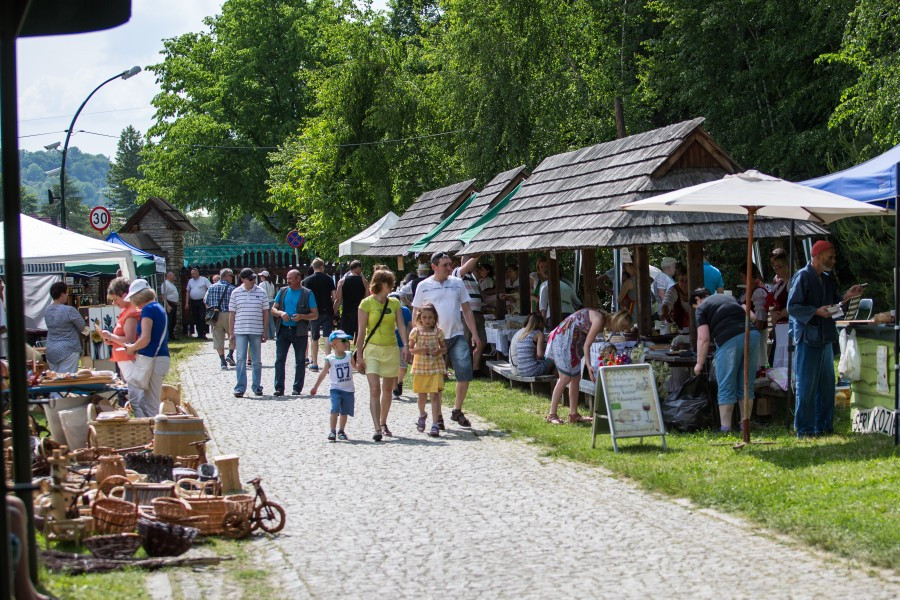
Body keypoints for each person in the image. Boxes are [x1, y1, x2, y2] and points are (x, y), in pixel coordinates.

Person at [788, 240, 863, 437]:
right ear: (817, 256)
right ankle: (804, 429)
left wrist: (847, 297)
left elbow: (833, 305)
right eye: (830, 257)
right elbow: (793, 307)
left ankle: (824, 426)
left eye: (834, 257)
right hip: (808, 338)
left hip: (825, 337)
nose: (834, 260)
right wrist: (816, 312)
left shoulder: (826, 278)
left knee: (827, 385)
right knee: (807, 386)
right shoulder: (803, 276)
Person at [412, 252, 481, 429]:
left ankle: (457, 410)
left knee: (465, 372)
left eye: (450, 264)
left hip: (457, 334)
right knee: (437, 379)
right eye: (445, 265)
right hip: (434, 338)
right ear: (434, 267)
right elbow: (416, 312)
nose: (450, 268)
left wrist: (474, 333)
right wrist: (418, 334)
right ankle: (438, 415)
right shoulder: (423, 285)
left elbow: (466, 309)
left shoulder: (457, 283)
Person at [692, 287, 759, 432]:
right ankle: (744, 425)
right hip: (752, 335)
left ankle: (726, 428)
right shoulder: (730, 298)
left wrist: (699, 364)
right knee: (746, 383)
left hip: (729, 340)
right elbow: (752, 316)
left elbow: (703, 338)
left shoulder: (701, 308)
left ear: (697, 300)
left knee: (726, 383)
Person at [357, 268, 409, 441]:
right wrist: (359, 355)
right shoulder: (366, 303)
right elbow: (361, 330)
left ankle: (383, 421)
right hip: (372, 349)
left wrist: (406, 345)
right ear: (381, 284)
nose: (391, 287)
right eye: (389, 284)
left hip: (390, 349)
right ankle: (376, 428)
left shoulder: (394, 304)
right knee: (374, 388)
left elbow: (401, 325)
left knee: (388, 390)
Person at [544, 308, 607, 424]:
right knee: (564, 378)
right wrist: (589, 366)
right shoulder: (599, 319)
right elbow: (586, 346)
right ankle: (551, 415)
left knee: (576, 378)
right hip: (563, 340)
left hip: (572, 342)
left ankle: (574, 415)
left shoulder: (600, 318)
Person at [123, 279, 170, 418]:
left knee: (150, 405)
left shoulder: (148, 310)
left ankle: (155, 437)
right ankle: (149, 434)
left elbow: (145, 339)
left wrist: (131, 348)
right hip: (158, 359)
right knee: (143, 402)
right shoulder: (157, 307)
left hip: (153, 359)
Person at [271, 269, 319, 396]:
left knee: (300, 360)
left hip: (299, 331)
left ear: (298, 279)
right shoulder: (282, 292)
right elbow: (273, 309)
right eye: (287, 278)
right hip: (283, 330)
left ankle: (297, 388)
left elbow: (315, 314)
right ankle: (279, 388)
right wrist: (281, 313)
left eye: (291, 278)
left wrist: (302, 317)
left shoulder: (308, 293)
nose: (288, 280)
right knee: (280, 359)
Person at [99, 277, 142, 408]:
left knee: (135, 396)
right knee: (132, 394)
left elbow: (129, 340)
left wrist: (111, 336)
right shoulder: (126, 310)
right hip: (124, 359)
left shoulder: (131, 312)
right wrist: (112, 341)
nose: (114, 303)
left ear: (124, 295)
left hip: (129, 359)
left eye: (115, 299)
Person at [229, 268, 269, 398]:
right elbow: (232, 313)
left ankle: (257, 386)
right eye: (251, 279)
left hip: (256, 330)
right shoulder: (235, 293)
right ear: (243, 280)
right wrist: (231, 332)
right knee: (240, 359)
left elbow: (265, 312)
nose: (253, 281)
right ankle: (240, 387)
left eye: (254, 278)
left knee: (256, 360)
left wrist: (265, 330)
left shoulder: (261, 292)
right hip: (240, 330)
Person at [310, 330, 356, 441]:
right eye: (343, 341)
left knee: (344, 412)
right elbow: (323, 373)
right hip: (335, 389)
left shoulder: (349, 355)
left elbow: (356, 367)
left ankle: (341, 430)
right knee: (334, 409)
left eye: (347, 341)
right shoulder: (330, 359)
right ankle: (332, 431)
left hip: (348, 390)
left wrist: (362, 366)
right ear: (334, 344)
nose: (346, 343)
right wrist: (315, 387)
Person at [408, 303, 446, 437]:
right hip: (421, 367)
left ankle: (435, 424)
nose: (427, 320)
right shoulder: (416, 332)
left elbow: (444, 348)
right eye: (425, 317)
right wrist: (421, 350)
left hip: (435, 366)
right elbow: (410, 350)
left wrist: (439, 351)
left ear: (435, 318)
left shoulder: (438, 332)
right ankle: (422, 414)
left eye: (430, 317)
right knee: (422, 396)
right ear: (420, 318)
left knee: (435, 394)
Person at [44, 281, 88, 375]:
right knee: (67, 380)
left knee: (54, 380)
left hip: (51, 348)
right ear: (62, 294)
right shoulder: (69, 310)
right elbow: (82, 327)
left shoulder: (47, 310)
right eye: (66, 293)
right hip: (69, 348)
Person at [453, 256, 488, 369]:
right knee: (466, 342)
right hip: (465, 314)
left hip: (478, 313)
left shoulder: (473, 277)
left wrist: (499, 297)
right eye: (469, 259)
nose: (473, 264)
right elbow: (466, 267)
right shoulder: (458, 272)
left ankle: (475, 368)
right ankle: (465, 368)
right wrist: (477, 255)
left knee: (482, 341)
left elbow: (484, 298)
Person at [303, 258, 337, 372]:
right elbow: (334, 296)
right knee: (327, 336)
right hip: (327, 310)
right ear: (322, 267)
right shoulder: (328, 279)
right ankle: (328, 364)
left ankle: (315, 363)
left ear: (313, 267)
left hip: (314, 312)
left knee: (314, 337)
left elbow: (305, 297)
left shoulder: (307, 281)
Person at [738, 262, 773, 369]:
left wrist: (752, 337)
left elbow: (760, 320)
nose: (742, 280)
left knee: (758, 364)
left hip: (756, 335)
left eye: (743, 277)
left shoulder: (758, 292)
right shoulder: (750, 289)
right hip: (750, 333)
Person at [204, 268, 237, 369]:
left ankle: (222, 362)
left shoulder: (211, 287)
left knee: (218, 338)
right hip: (229, 315)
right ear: (226, 276)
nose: (232, 278)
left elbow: (206, 301)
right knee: (232, 335)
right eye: (231, 276)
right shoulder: (232, 288)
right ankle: (230, 354)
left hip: (216, 316)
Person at [333, 260, 367, 342]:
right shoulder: (364, 281)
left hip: (347, 312)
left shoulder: (342, 281)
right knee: (360, 336)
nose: (361, 271)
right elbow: (367, 298)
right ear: (357, 267)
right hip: (360, 312)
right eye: (360, 268)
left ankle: (346, 352)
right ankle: (358, 353)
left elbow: (338, 299)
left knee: (345, 337)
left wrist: (333, 313)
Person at [769, 249, 791, 368]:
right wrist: (773, 312)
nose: (777, 270)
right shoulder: (781, 283)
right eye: (775, 267)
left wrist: (781, 314)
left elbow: (793, 305)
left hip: (787, 327)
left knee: (785, 361)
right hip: (780, 327)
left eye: (780, 267)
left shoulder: (791, 282)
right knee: (774, 360)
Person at [515, 312, 553, 377]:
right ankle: (553, 384)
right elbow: (540, 355)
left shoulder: (522, 335)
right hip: (531, 370)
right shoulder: (539, 333)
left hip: (521, 370)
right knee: (554, 361)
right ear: (541, 323)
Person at [391, 290, 413, 399]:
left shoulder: (405, 311)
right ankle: (394, 389)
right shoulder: (387, 311)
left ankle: (399, 382)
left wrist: (409, 342)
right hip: (390, 344)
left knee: (403, 367)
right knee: (393, 367)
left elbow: (409, 326)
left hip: (402, 343)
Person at [660, 263, 691, 332]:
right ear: (677, 280)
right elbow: (667, 302)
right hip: (676, 331)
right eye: (681, 280)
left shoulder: (696, 290)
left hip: (695, 331)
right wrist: (664, 312)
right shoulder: (673, 290)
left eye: (687, 281)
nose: (684, 284)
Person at [185, 268, 212, 339]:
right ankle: (199, 333)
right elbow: (187, 291)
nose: (192, 275)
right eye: (191, 274)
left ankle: (203, 333)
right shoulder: (190, 281)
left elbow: (210, 288)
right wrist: (186, 303)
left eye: (193, 274)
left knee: (202, 317)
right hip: (193, 301)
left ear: (197, 273)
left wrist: (207, 298)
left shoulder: (204, 280)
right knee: (195, 317)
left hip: (202, 301)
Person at [257, 270, 277, 339]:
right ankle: (272, 334)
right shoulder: (271, 284)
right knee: (271, 318)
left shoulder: (262, 284)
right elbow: (274, 293)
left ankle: (267, 334)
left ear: (264, 277)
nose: (260, 277)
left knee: (265, 318)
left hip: (265, 301)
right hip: (272, 301)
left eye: (261, 276)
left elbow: (260, 294)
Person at [161, 271, 179, 340]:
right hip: (169, 304)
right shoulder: (165, 284)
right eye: (173, 275)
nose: (174, 277)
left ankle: (171, 335)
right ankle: (167, 336)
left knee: (173, 320)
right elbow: (163, 296)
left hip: (173, 304)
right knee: (169, 320)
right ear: (168, 276)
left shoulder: (172, 284)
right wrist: (167, 306)